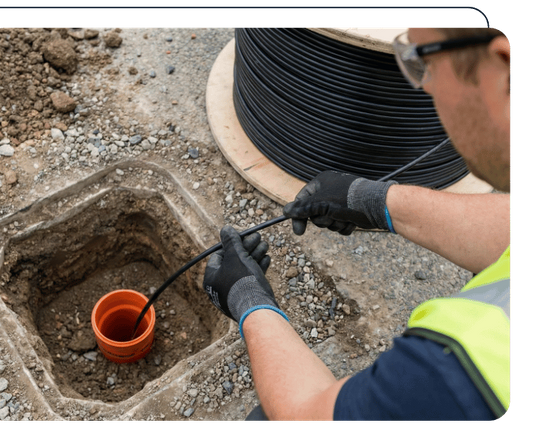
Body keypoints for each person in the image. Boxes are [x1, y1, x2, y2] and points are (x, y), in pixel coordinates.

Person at [203, 25, 511, 421]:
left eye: (424, 63)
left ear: (501, 67)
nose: (424, 89)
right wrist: (373, 201)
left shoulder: (459, 368)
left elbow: (305, 415)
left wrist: (247, 300)